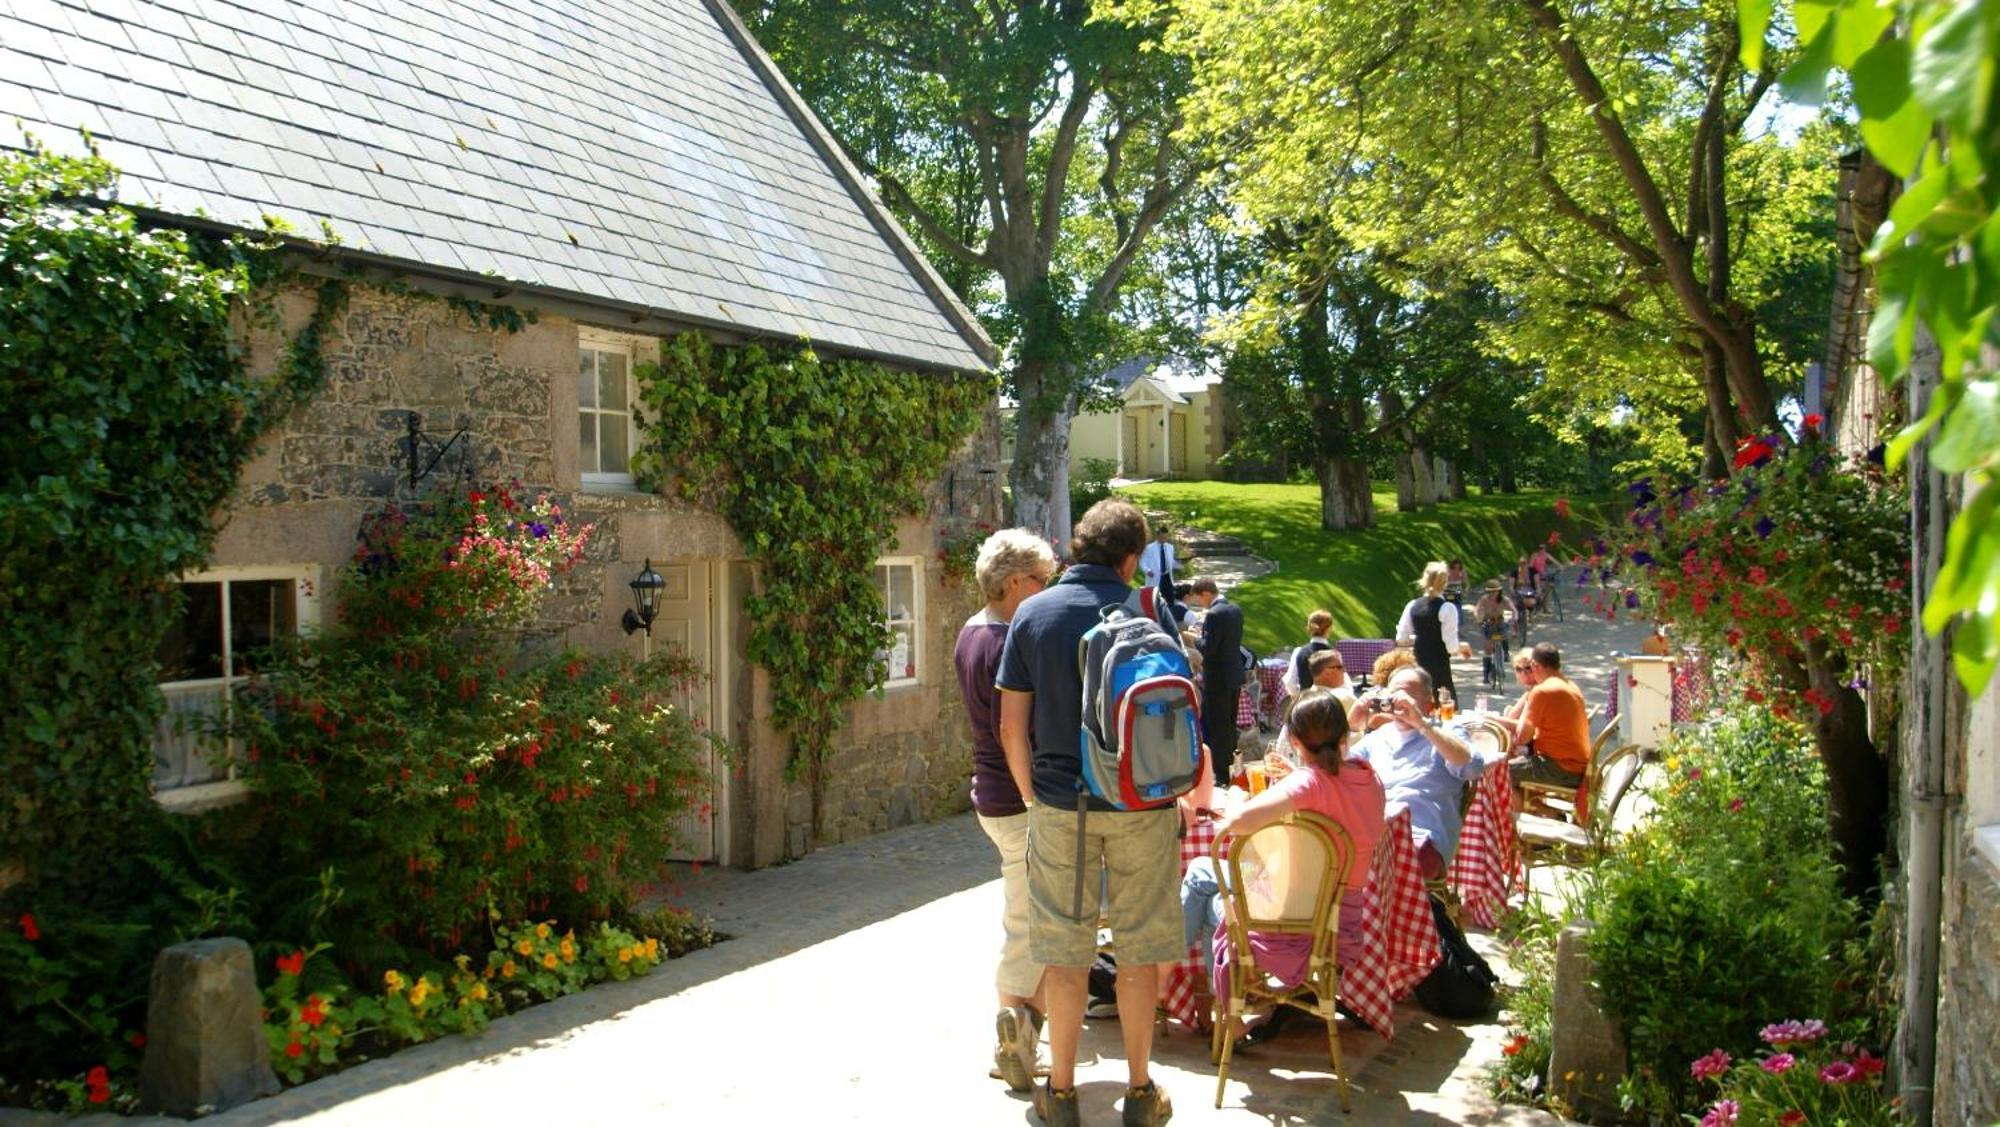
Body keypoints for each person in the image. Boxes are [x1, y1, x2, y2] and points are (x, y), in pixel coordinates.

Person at [996, 498, 1180, 1127]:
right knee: (1136, 952)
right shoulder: (1150, 610)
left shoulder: (1034, 614)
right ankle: (1139, 1091)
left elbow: (1010, 727)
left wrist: (1030, 795)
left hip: (1060, 803)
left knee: (1066, 951)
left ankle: (1064, 1093)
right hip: (1140, 804)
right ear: (1131, 558)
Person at [1180, 688, 1386, 1021]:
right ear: (1344, 734)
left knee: (1205, 879)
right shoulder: (1368, 777)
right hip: (1339, 924)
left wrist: (1235, 793)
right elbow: (1332, 795)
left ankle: (1180, 986)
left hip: (1289, 927)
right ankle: (1214, 1008)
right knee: (1208, 879)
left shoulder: (1310, 784)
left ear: (1295, 741)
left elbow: (1233, 824)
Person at [953, 528, 1057, 1093]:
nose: (1048, 589)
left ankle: (1027, 1031)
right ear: (1016, 581)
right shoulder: (1008, 641)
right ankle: (1011, 1030)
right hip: (1016, 796)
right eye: (1043, 580)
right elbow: (1014, 727)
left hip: (992, 792)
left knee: (1033, 912)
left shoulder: (972, 630)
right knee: (1027, 921)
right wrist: (1034, 796)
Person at [1349, 666, 1487, 879]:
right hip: (1376, 834)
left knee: (1363, 868)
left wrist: (1422, 725)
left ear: (1429, 703)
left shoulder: (1445, 732)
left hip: (1420, 839)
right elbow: (1339, 772)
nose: (1401, 703)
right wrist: (1350, 727)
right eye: (1395, 696)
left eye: (1409, 696)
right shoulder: (1378, 737)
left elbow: (1473, 768)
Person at [1494, 643, 1592, 791]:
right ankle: (1541, 809)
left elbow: (1522, 737)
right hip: (1577, 766)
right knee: (1509, 767)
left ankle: (1541, 810)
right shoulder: (1570, 685)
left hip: (1559, 768)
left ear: (1534, 665)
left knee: (1492, 774)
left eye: (1529, 668)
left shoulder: (1542, 691)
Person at [1186, 576, 1246, 783]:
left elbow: (1208, 648)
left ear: (1206, 594)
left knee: (1218, 725)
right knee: (1230, 724)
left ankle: (1221, 772)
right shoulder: (1235, 610)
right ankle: (1232, 766)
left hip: (1218, 677)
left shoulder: (1213, 614)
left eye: (1199, 599)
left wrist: (1193, 637)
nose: (1200, 604)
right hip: (1234, 674)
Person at [1395, 561, 1472, 703]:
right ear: (1445, 582)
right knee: (1445, 708)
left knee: (1419, 705)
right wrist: (1463, 646)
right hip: (1439, 668)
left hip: (1418, 666)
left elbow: (1401, 638)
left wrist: (1421, 637)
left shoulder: (1412, 606)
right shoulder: (1447, 608)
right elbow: (1451, 647)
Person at [1282, 609, 1336, 697]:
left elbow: (1290, 682)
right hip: (1328, 705)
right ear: (1329, 629)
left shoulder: (1299, 651)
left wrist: (1300, 697)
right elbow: (1343, 685)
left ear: (1309, 627)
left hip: (1305, 703)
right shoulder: (1333, 655)